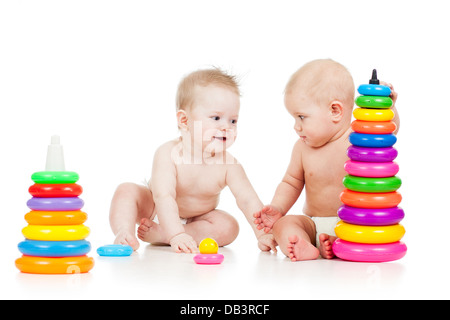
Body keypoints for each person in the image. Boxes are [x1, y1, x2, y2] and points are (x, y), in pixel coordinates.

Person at [109, 68, 277, 253]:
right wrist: (175, 233)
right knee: (126, 191)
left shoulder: (230, 165)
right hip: (154, 210)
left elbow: (248, 200)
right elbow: (163, 196)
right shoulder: (168, 153)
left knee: (229, 226)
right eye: (216, 118)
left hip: (197, 220)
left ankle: (163, 235)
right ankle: (124, 232)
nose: (226, 127)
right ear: (184, 120)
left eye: (233, 121)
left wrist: (262, 234)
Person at [253, 59, 399, 261]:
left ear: (335, 111)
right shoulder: (301, 149)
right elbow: (291, 182)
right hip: (312, 223)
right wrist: (278, 208)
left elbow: (385, 132)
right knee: (284, 225)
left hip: (351, 224)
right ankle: (303, 244)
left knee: (355, 234)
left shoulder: (356, 141)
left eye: (302, 117)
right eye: (294, 119)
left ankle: (333, 243)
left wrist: (385, 107)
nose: (296, 127)